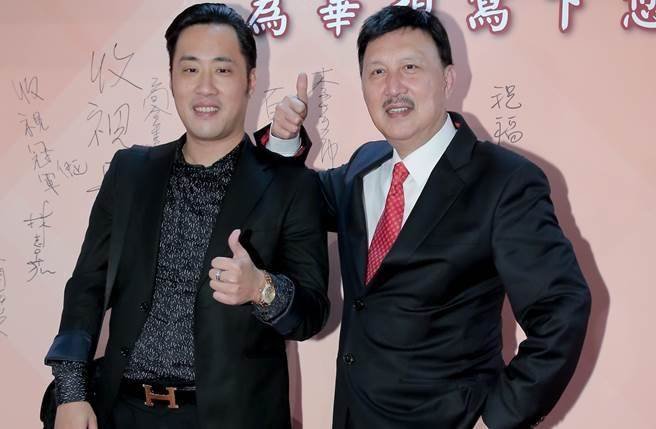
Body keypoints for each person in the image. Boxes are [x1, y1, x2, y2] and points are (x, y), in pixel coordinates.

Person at [261, 5, 591, 429]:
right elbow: (300, 201)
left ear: (448, 79)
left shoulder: (504, 181)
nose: (393, 87)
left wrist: (497, 420)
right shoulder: (364, 166)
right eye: (377, 72)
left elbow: (561, 310)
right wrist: (284, 141)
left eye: (410, 67)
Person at [44, 3, 328, 429]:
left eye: (223, 70)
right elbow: (87, 284)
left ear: (251, 80)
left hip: (234, 418)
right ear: (172, 77)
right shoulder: (130, 171)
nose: (205, 88)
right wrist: (71, 392)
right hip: (122, 411)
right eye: (190, 69)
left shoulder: (291, 186)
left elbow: (311, 315)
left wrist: (261, 288)